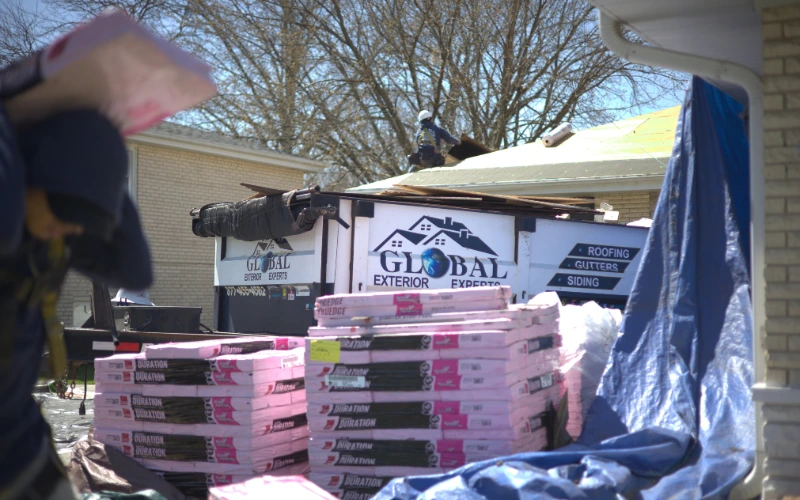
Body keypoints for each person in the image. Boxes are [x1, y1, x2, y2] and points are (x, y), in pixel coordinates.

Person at [0, 104, 153, 499]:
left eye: (81, 221)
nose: (68, 227)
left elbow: (136, 273)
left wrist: (100, 167)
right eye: (66, 212)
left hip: (20, 437)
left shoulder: (53, 233)